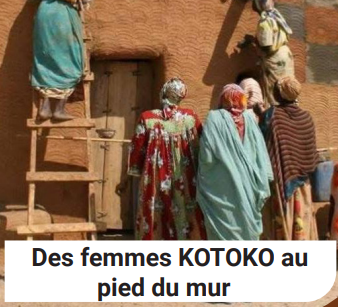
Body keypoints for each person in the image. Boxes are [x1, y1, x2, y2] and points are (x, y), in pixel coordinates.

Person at [31, 0, 95, 121]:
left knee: (46, 57)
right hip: (64, 14)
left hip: (44, 11)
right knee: (71, 60)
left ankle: (44, 108)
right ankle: (58, 109)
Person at [128, 78, 206, 240]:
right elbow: (203, 143)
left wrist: (135, 168)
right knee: (184, 203)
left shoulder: (148, 118)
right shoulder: (190, 118)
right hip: (185, 174)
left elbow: (137, 147)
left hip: (155, 175)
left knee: (156, 204)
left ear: (165, 92)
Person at [197, 84, 273, 240]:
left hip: (222, 188)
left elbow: (207, 157)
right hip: (250, 184)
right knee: (247, 228)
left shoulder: (214, 118)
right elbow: (260, 151)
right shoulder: (250, 120)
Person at [260, 77, 319, 240]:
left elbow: (262, 141)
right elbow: (312, 154)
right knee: (303, 221)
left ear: (280, 95)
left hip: (281, 181)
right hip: (303, 182)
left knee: (281, 223)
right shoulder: (307, 117)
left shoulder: (271, 116)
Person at [249, 0, 294, 106]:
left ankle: (276, 117)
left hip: (275, 59)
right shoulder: (276, 17)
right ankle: (292, 114)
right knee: (288, 87)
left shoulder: (265, 22)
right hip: (286, 55)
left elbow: (267, 47)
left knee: (275, 92)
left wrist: (253, 43)